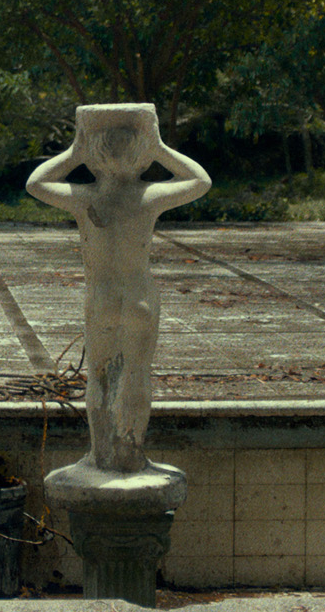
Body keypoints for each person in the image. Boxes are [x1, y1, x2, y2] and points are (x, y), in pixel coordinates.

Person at [25, 104, 211, 473]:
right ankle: (132, 454)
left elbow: (36, 183)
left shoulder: (85, 199)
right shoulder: (149, 197)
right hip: (140, 298)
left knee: (99, 376)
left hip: (102, 300)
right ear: (142, 156)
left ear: (93, 157)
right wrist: (159, 148)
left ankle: (101, 455)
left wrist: (75, 151)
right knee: (137, 373)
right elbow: (200, 180)